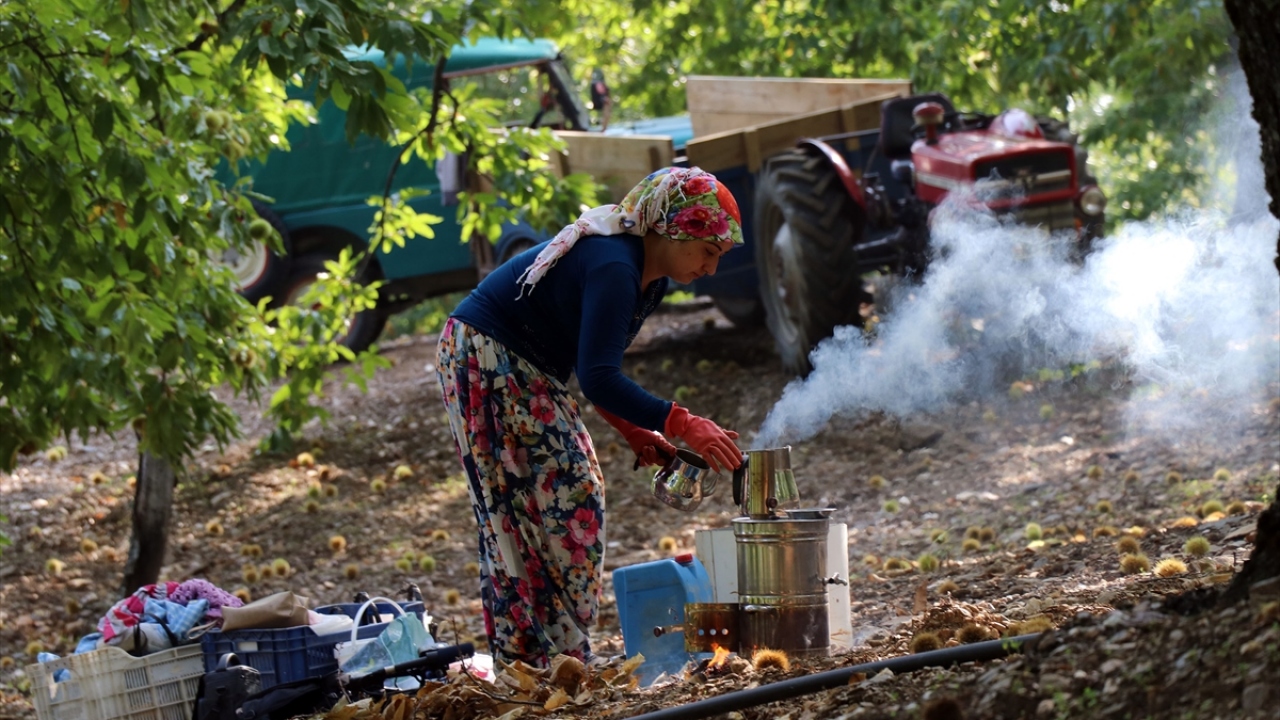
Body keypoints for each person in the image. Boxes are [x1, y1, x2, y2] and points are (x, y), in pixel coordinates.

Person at [435, 166, 745, 668]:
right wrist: (682, 422)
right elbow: (598, 377)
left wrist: (634, 430)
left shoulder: (648, 281)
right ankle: (536, 662)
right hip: (487, 356)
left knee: (558, 500)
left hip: (523, 365)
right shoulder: (614, 265)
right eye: (708, 251)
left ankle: (555, 659)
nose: (710, 270)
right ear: (670, 230)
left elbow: (592, 365)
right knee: (538, 507)